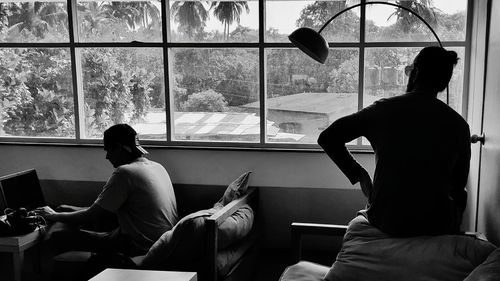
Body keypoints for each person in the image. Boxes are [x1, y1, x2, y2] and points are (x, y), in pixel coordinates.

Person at [318, 46, 470, 237]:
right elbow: (458, 188)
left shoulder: (383, 110)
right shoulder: (458, 125)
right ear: (444, 83)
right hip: (435, 226)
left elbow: (328, 137)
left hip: (388, 221)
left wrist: (360, 174)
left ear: (415, 73)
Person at [36, 123, 178, 257]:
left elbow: (92, 216)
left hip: (139, 246)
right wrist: (65, 209)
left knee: (57, 238)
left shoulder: (125, 173)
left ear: (118, 148)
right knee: (65, 211)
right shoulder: (157, 167)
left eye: (108, 150)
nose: (107, 157)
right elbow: (103, 210)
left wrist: (54, 216)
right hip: (162, 243)